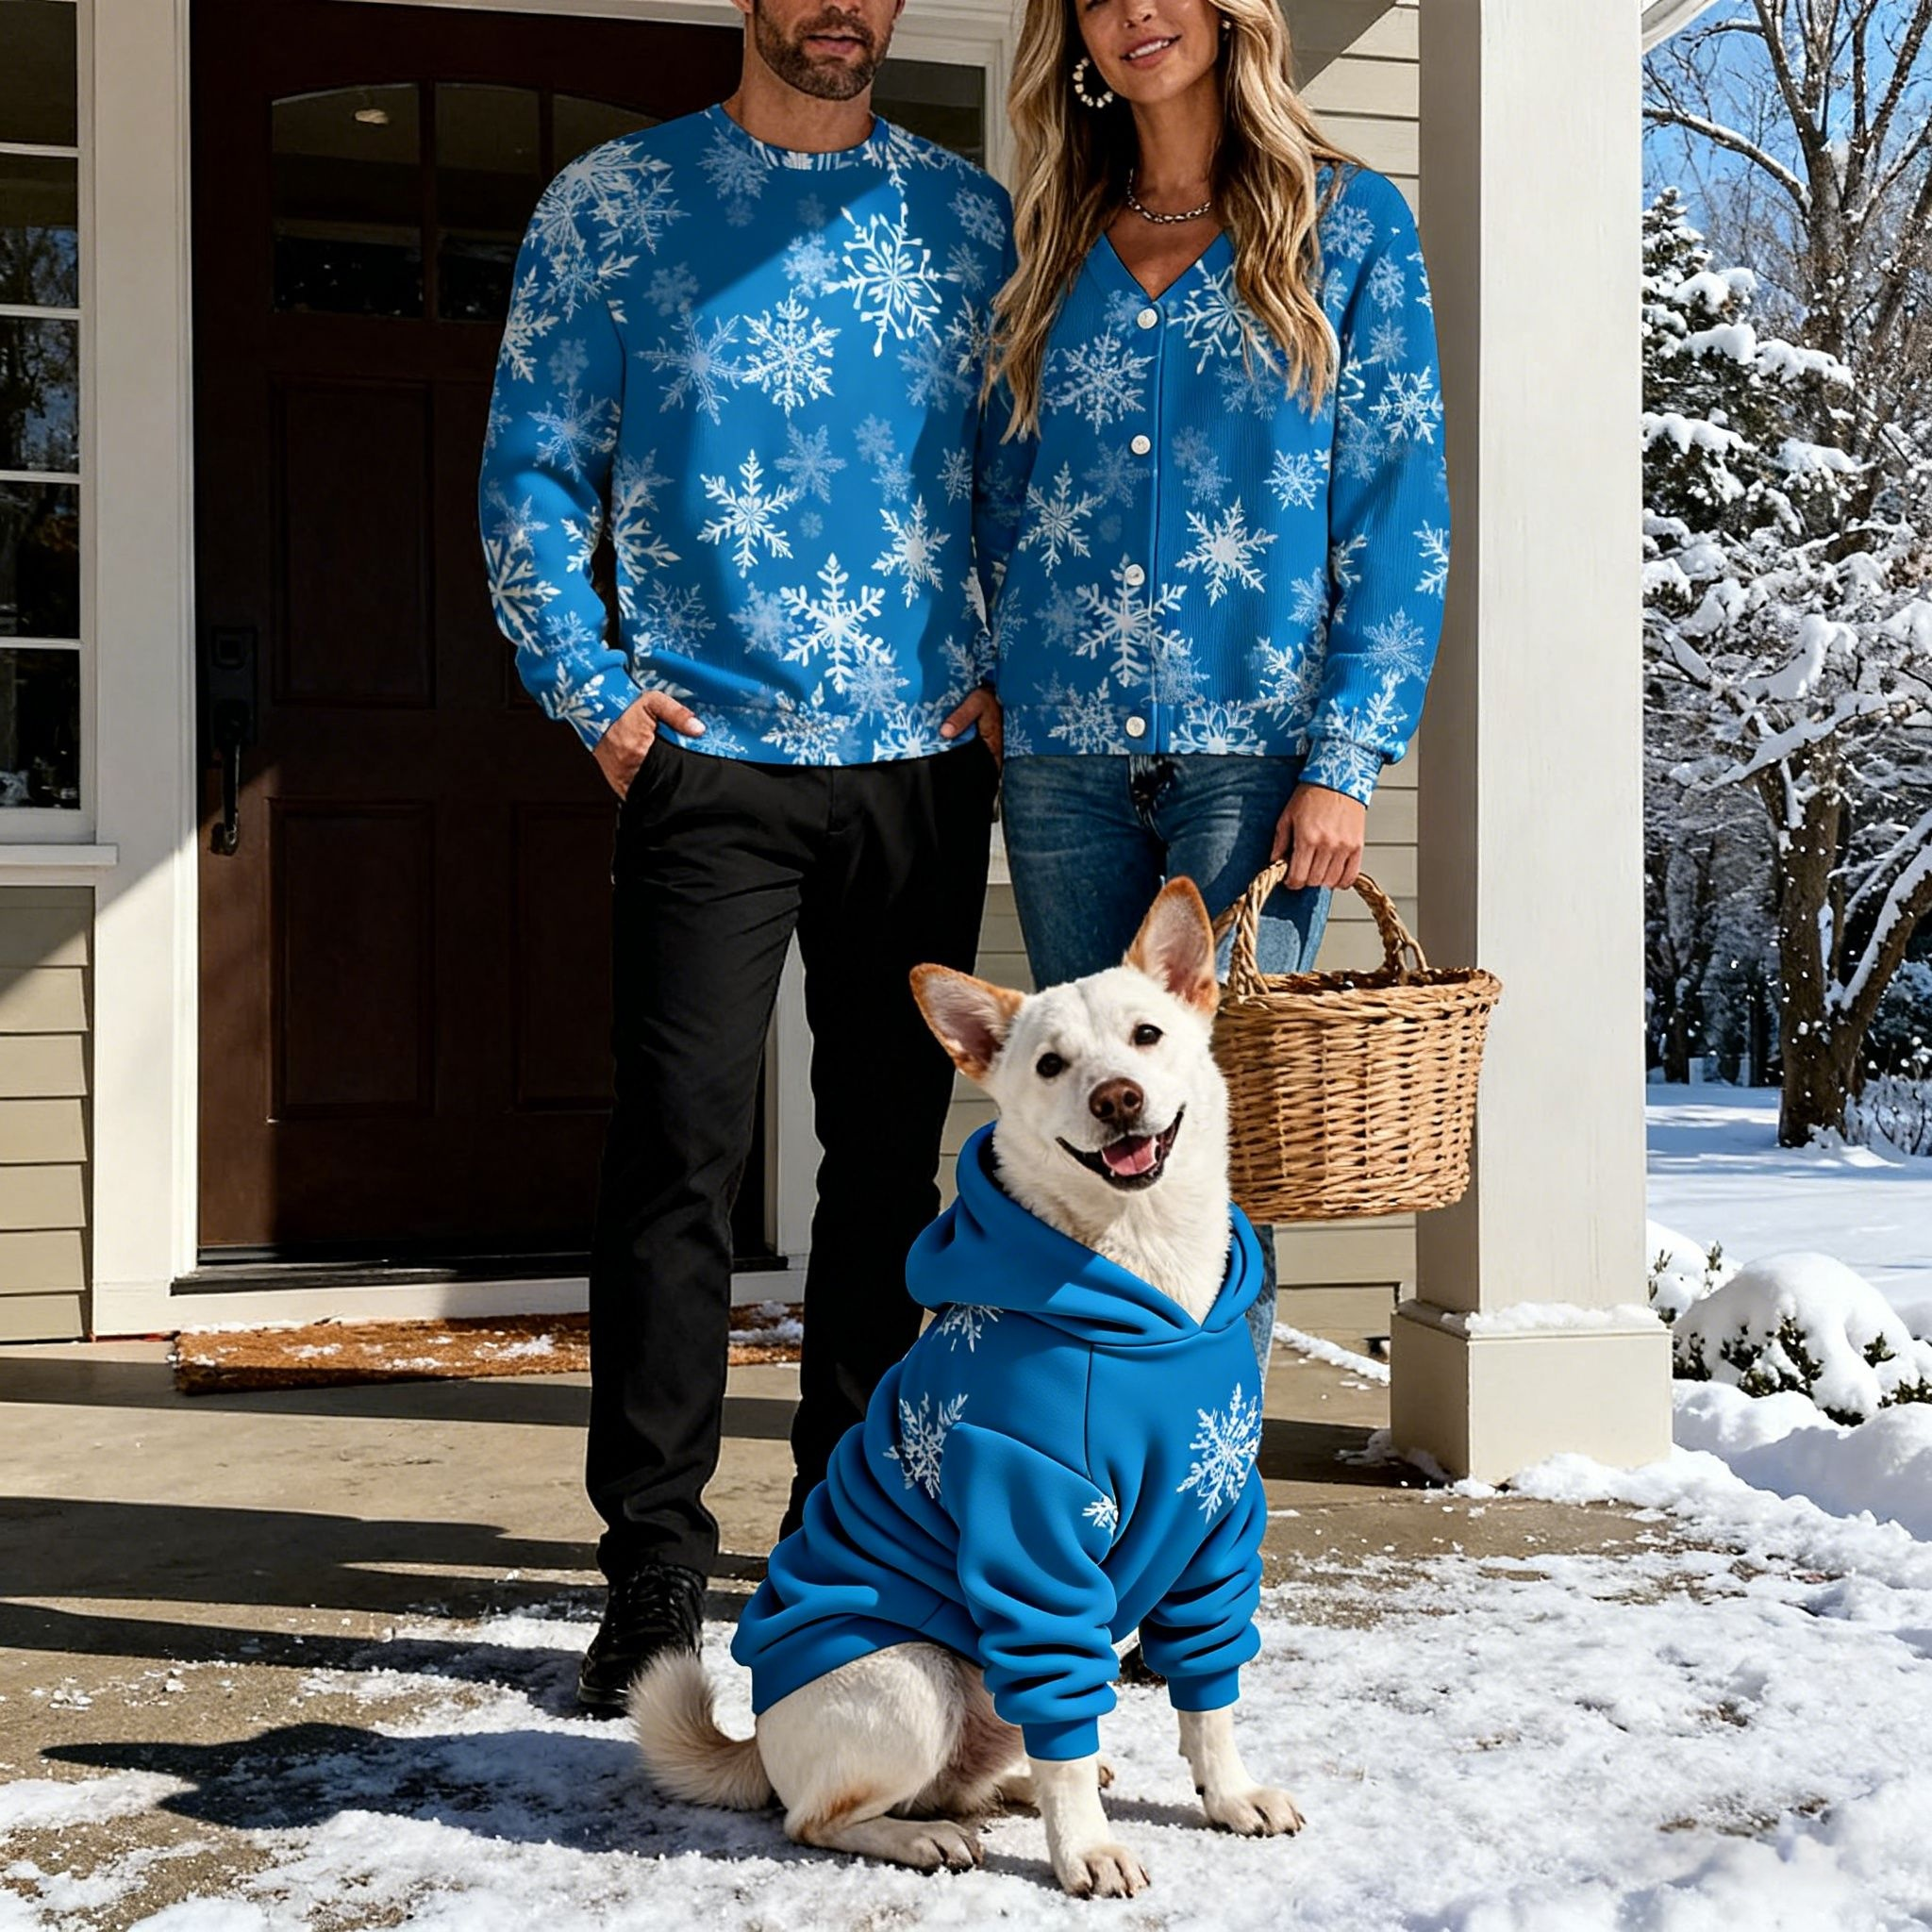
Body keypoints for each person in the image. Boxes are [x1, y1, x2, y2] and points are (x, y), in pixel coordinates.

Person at [477, 0, 1028, 1713]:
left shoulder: (972, 221)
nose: (841, 11)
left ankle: (839, 1552)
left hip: (922, 766)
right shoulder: (615, 204)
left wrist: (1011, 675)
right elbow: (529, 476)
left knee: (884, 1174)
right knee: (679, 1162)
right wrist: (603, 704)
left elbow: (1023, 475)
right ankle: (649, 1573)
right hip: (705, 762)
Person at [986, 0, 1449, 1369]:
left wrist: (1348, 754)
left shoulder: (1348, 226)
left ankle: (1199, 1478)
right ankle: (1081, 1462)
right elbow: (1000, 487)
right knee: (1078, 1132)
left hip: (1258, 754)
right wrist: (993, 664)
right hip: (1060, 747)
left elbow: (1398, 504)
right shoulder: (1056, 241)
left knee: (1206, 1143)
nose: (1138, 10)